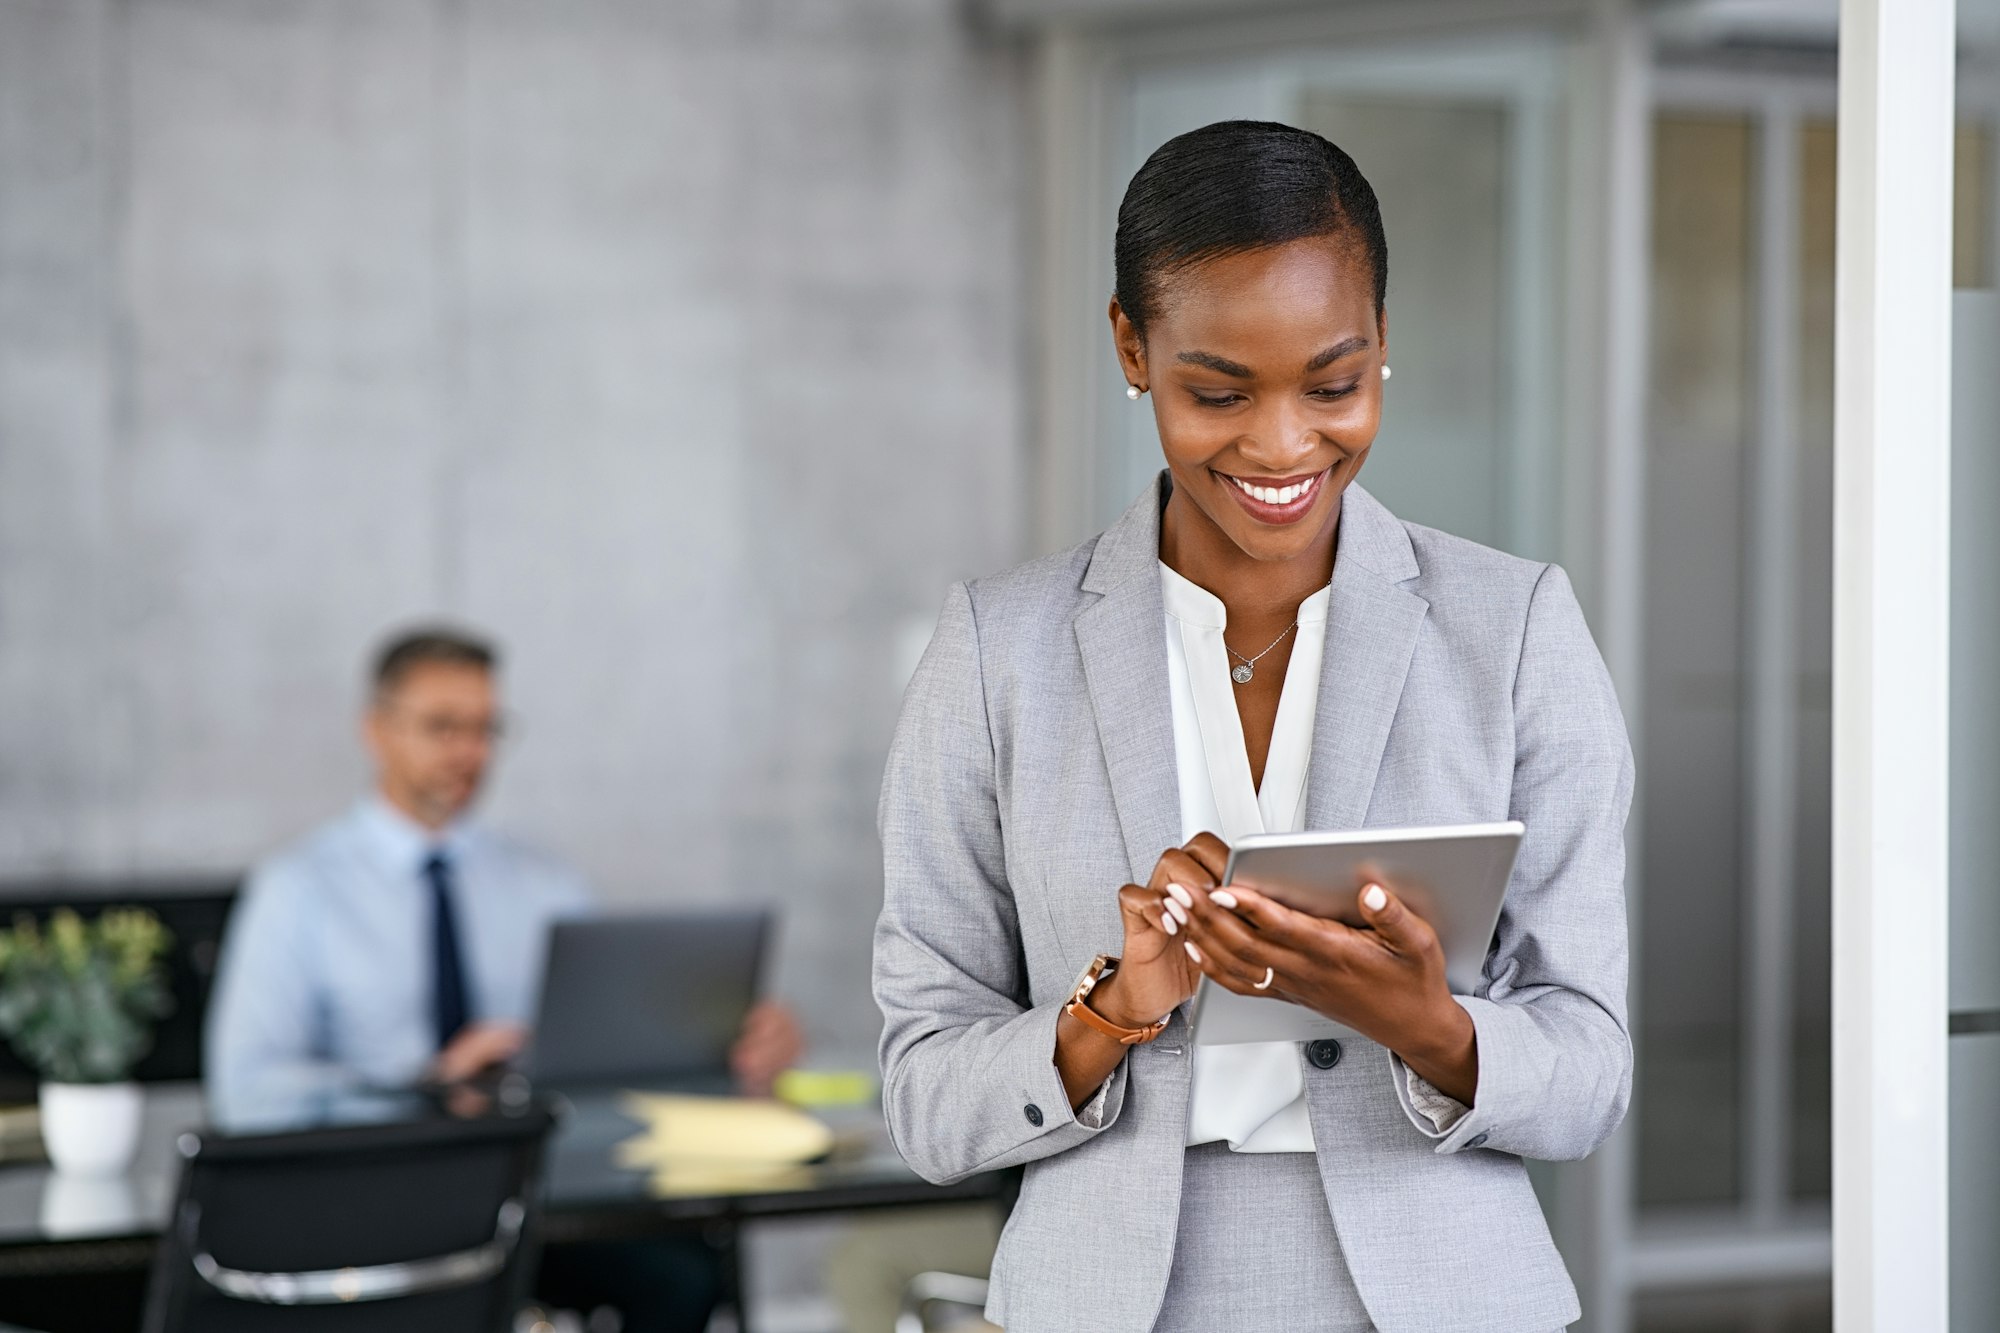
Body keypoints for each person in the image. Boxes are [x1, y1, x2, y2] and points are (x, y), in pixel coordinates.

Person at [873, 120, 1634, 1333]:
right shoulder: (994, 652)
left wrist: (1427, 1026)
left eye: (1331, 384)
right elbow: (922, 1098)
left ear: (1382, 343)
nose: (1282, 445)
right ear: (1130, 347)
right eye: (1217, 392)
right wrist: (1109, 1008)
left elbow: (1587, 1073)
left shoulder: (1516, 631)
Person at [207, 626, 802, 1331]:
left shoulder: (544, 885)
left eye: (487, 729)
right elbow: (246, 1092)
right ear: (377, 729)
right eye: (443, 727)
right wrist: (429, 1079)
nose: (470, 752)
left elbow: (607, 1060)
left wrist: (721, 1048)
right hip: (373, 1206)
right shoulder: (297, 890)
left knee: (680, 1274)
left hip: (533, 1200)